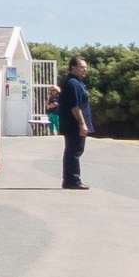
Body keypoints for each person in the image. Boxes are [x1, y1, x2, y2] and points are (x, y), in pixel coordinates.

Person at [53, 55, 96, 190]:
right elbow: (75, 107)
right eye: (82, 67)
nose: (85, 70)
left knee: (74, 151)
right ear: (73, 67)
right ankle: (72, 180)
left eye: (85, 68)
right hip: (74, 125)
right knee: (74, 152)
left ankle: (70, 180)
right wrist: (82, 124)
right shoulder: (72, 83)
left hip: (74, 124)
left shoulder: (77, 83)